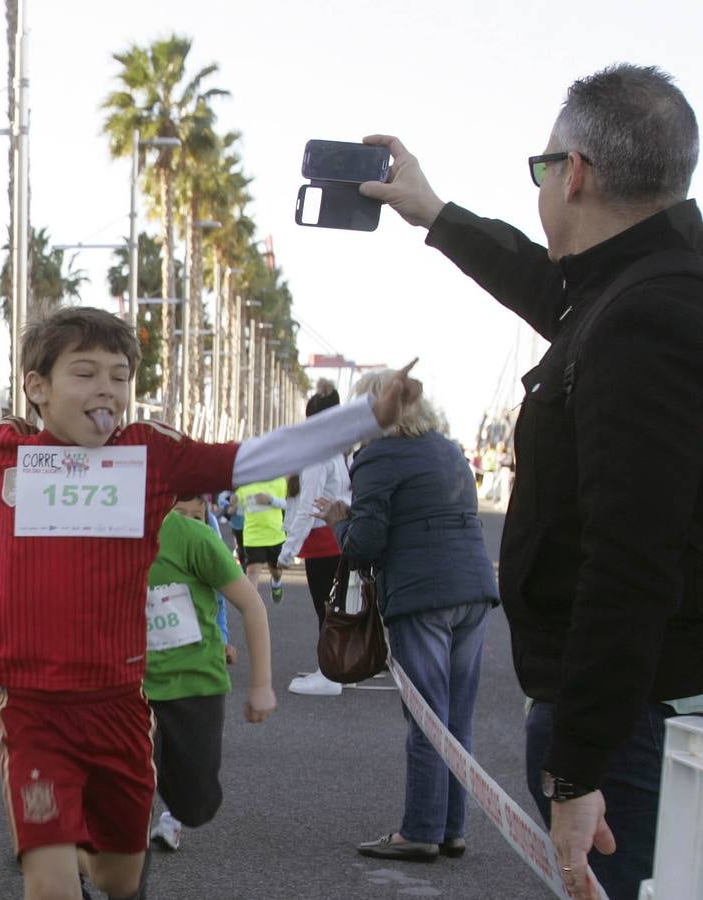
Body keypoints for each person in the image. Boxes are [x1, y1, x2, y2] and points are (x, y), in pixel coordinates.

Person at [0, 306, 420, 900]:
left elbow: (255, 456)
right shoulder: (6, 450)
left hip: (120, 708)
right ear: (38, 387)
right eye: (86, 373)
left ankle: (90, 842)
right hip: (33, 708)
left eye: (119, 377)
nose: (107, 390)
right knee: (51, 882)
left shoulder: (150, 454)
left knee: (120, 879)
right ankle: (57, 842)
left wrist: (367, 416)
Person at [364, 64, 703, 900]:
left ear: (574, 173)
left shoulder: (645, 318)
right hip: (639, 714)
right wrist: (434, 213)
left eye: (543, 166)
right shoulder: (643, 289)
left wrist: (579, 765)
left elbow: (631, 558)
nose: (544, 183)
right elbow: (549, 288)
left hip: (633, 724)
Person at [313, 371, 499, 863]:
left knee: (426, 718)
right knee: (456, 717)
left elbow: (366, 543)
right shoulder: (450, 450)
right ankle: (451, 827)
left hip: (422, 595)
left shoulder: (377, 457)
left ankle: (419, 830)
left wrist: (338, 521)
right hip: (474, 588)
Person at [145, 495, 276, 854]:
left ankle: (176, 810)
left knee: (196, 804)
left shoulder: (194, 538)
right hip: (130, 690)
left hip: (194, 686)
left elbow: (251, 605)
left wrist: (262, 685)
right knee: (124, 792)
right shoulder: (106, 534)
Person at [279, 388, 352, 698]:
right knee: (334, 608)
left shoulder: (318, 456)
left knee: (327, 610)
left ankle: (330, 674)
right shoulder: (336, 453)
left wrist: (286, 553)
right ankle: (333, 668)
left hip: (323, 543)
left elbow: (307, 507)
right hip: (336, 539)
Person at [234, 477, 288, 603]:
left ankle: (276, 582)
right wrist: (234, 502)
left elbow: (289, 504)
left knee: (276, 571)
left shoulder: (279, 481)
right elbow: (239, 508)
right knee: (252, 572)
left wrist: (270, 500)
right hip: (253, 536)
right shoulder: (245, 484)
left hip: (275, 535)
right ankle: (251, 606)